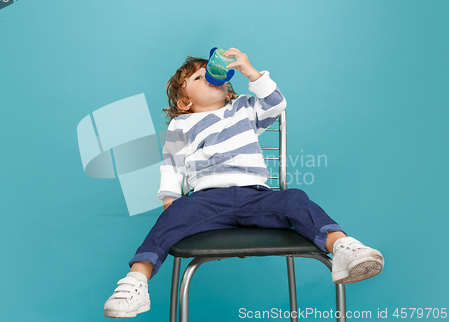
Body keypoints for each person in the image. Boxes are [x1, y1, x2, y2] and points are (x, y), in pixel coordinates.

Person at [104, 48, 384, 318]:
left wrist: (252, 73)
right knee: (174, 214)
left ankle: (343, 248)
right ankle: (136, 281)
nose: (209, 77)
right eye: (199, 77)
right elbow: (172, 165)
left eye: (211, 73)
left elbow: (277, 104)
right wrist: (170, 201)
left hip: (256, 197)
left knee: (294, 198)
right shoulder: (182, 125)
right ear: (184, 102)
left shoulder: (243, 109)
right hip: (207, 201)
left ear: (227, 86)